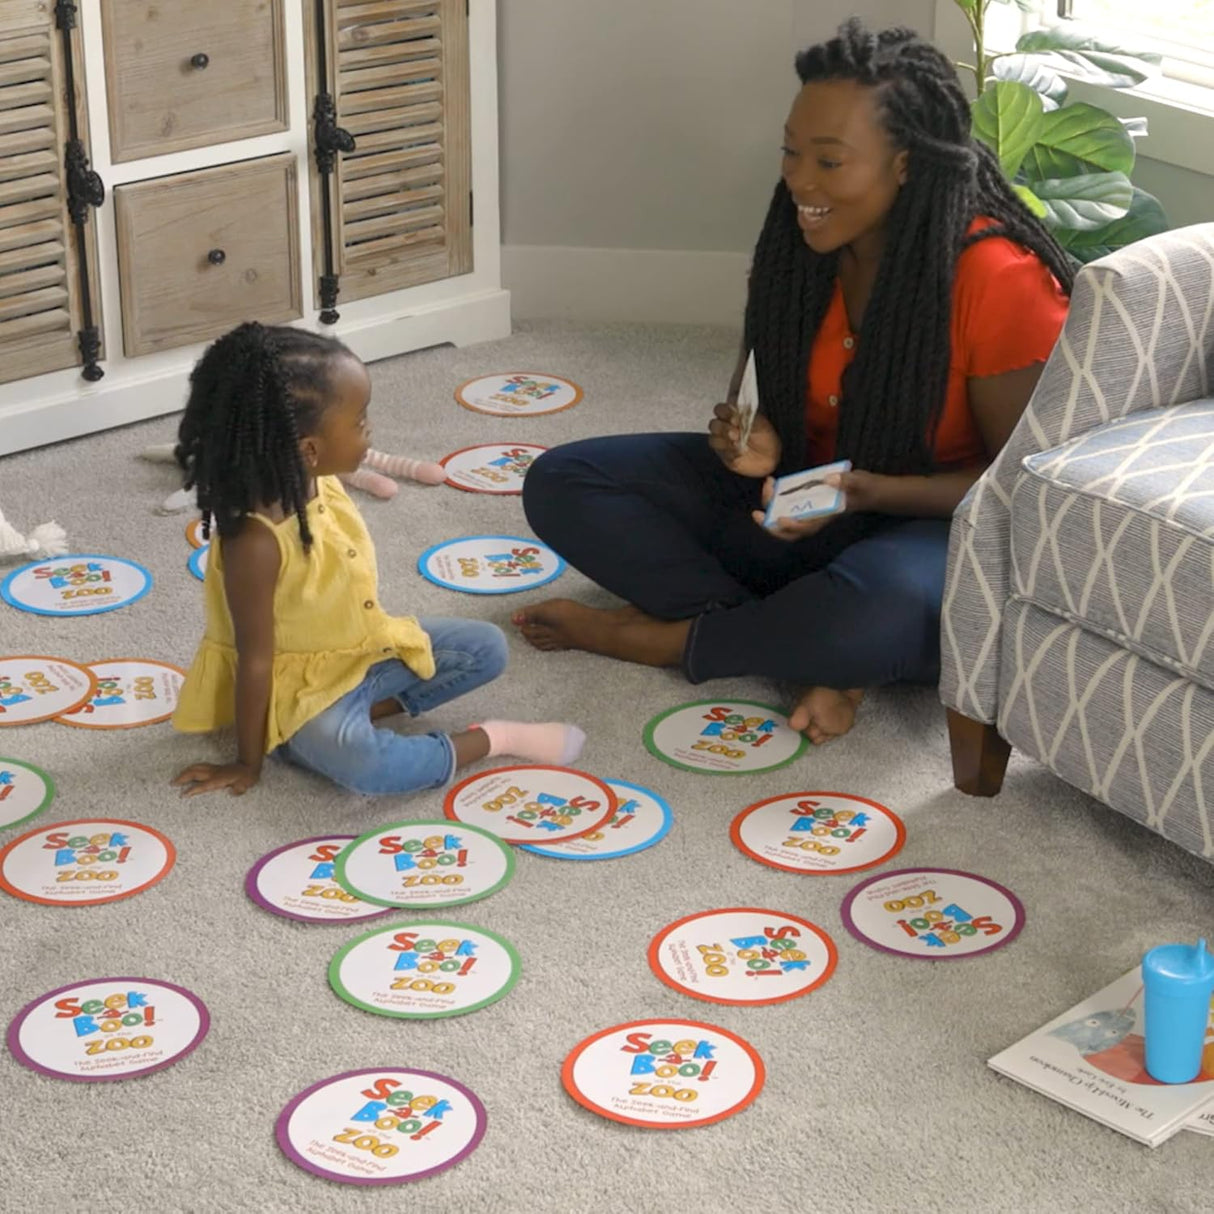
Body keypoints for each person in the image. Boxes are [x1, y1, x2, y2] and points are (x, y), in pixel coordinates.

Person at [514, 19, 1073, 744]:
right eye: (791, 150)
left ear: (905, 162)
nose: (799, 180)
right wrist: (758, 444)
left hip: (926, 528)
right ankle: (810, 652)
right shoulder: (798, 240)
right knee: (565, 480)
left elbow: (1016, 490)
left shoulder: (998, 278)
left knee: (873, 611)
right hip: (799, 504)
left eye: (830, 161)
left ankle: (672, 640)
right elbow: (769, 409)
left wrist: (866, 491)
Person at [169, 322, 584, 798]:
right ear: (309, 449)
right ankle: (493, 739)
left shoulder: (319, 481)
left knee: (487, 647)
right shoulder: (255, 542)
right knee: (367, 767)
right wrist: (246, 762)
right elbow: (255, 660)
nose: (370, 432)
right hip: (296, 687)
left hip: (361, 652)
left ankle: (336, 723)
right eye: (360, 421)